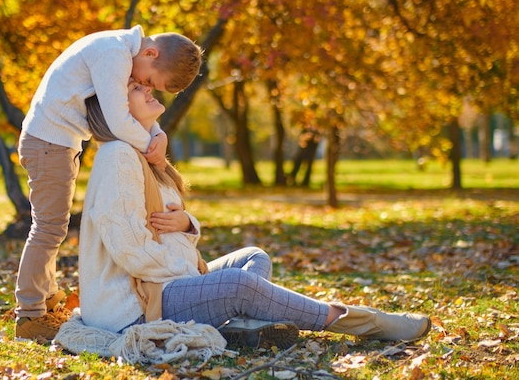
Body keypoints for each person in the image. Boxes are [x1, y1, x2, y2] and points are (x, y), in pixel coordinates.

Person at [77, 84, 432, 349]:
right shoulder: (118, 157)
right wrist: (193, 277)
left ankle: (239, 324)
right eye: (136, 88)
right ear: (118, 110)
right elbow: (130, 249)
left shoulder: (144, 156)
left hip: (163, 282)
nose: (149, 87)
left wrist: (187, 223)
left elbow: (168, 225)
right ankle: (359, 321)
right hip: (133, 307)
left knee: (252, 257)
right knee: (238, 284)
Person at [15, 25, 203, 342]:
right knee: (48, 226)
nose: (144, 86)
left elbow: (127, 107)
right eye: (148, 82)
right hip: (47, 141)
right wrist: (150, 145)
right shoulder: (112, 53)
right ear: (151, 53)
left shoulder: (125, 54)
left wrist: (157, 133)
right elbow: (117, 118)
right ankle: (29, 314)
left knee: (54, 226)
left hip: (60, 142)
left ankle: (46, 301)